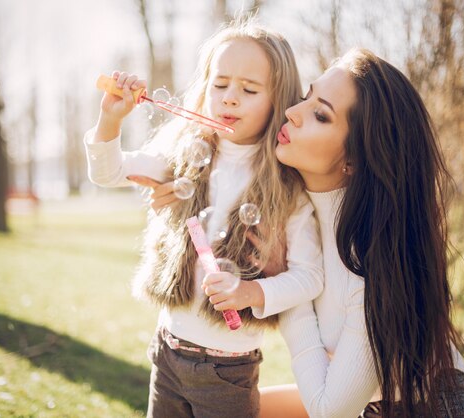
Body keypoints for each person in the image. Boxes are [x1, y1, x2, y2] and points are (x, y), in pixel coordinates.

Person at [207, 48, 464, 417]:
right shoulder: (297, 214)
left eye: (320, 115)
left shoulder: (370, 259)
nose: (293, 111)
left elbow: (329, 410)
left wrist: (286, 286)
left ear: (355, 159)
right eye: (307, 96)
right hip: (369, 402)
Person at [83, 19, 324, 418]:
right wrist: (112, 119)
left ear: (278, 100)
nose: (230, 98)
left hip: (229, 369)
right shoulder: (182, 151)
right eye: (220, 84)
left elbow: (310, 276)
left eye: (248, 90)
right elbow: (109, 172)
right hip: (168, 351)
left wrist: (251, 294)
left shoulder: (287, 188)